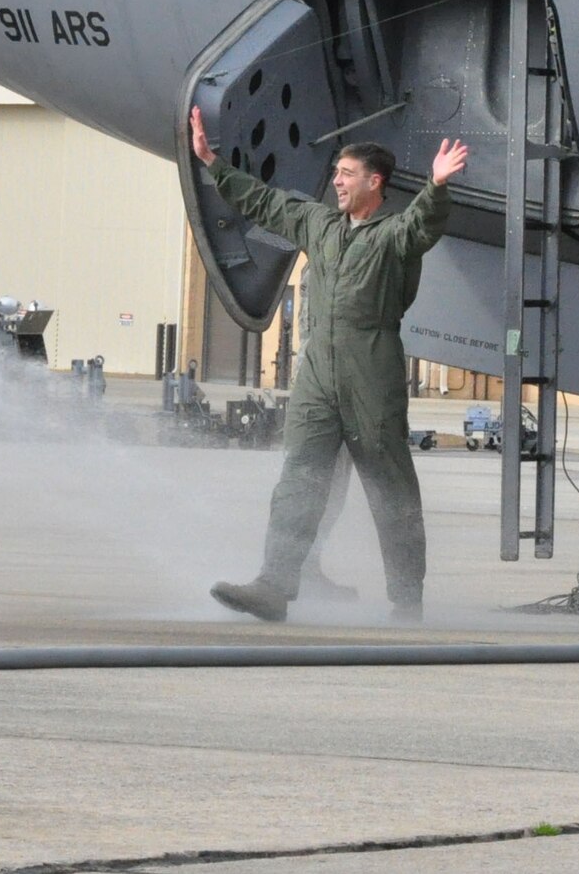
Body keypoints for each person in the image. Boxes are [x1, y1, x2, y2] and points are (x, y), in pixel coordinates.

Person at [192, 106, 468, 622]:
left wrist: (436, 185)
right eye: (337, 173)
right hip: (317, 369)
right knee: (300, 475)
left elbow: (422, 226)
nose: (336, 182)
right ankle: (274, 586)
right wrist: (211, 161)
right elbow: (265, 203)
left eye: (346, 174)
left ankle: (406, 598)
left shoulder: (392, 237)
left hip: (372, 367)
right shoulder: (318, 223)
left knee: (389, 486)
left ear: (374, 182)